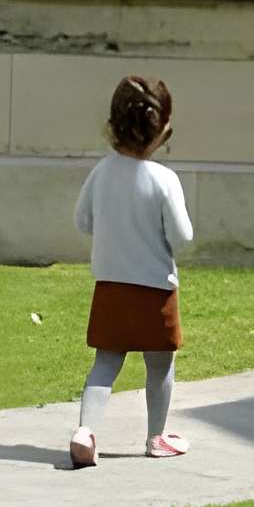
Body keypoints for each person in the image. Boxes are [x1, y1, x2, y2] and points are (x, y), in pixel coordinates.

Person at [68, 75, 194, 468]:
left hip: (110, 288)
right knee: (160, 364)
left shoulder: (102, 172)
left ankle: (85, 431)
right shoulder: (164, 180)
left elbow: (82, 221)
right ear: (162, 129)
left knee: (105, 363)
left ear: (113, 125)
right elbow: (183, 235)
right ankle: (156, 437)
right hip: (155, 290)